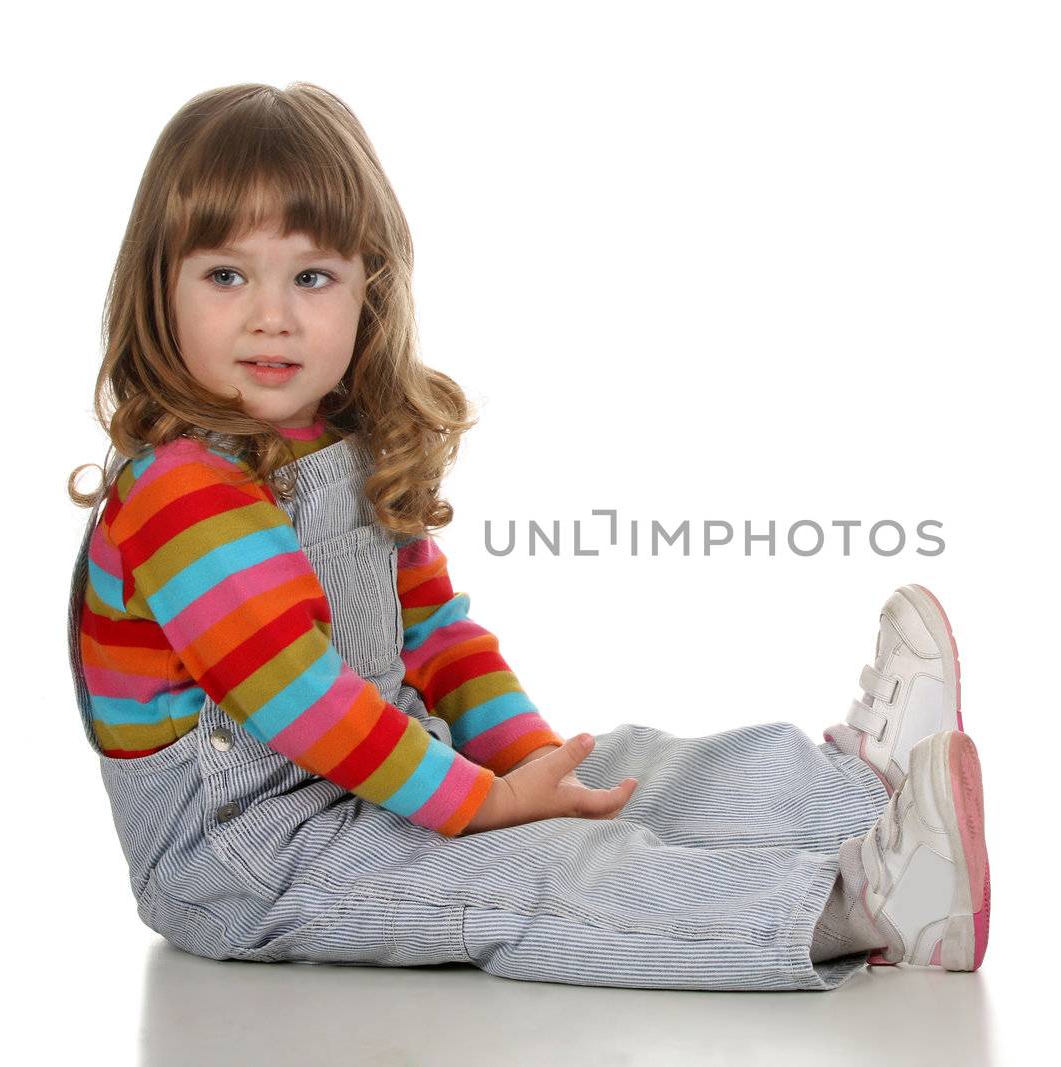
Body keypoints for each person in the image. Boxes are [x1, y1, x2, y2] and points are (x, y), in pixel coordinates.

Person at [65, 81, 989, 991]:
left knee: (623, 770)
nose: (272, 313)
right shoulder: (181, 490)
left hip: (377, 777)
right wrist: (495, 809)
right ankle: (862, 907)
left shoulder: (347, 456)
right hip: (251, 860)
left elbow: (435, 637)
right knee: (538, 873)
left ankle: (862, 791)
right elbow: (303, 703)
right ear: (162, 288)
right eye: (227, 275)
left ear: (367, 293)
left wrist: (531, 767)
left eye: (313, 276)